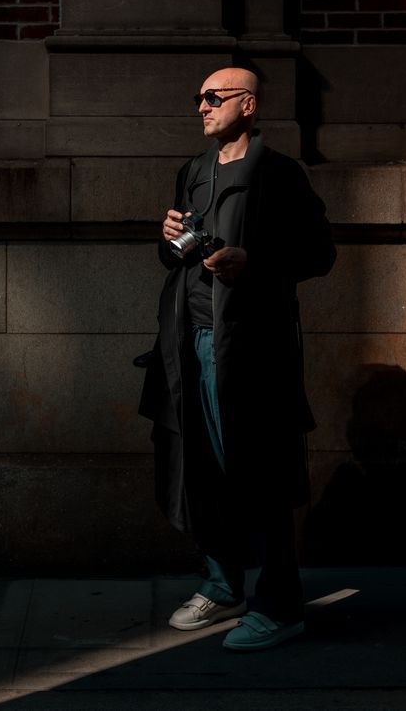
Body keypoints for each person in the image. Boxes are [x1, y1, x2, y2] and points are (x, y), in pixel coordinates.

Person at [139, 66, 335, 651]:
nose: (201, 106)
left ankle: (279, 607)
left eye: (212, 97)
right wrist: (168, 235)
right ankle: (223, 586)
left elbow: (319, 254)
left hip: (248, 351)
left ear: (247, 105)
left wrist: (254, 262)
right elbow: (174, 258)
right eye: (198, 97)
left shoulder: (279, 175)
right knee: (200, 468)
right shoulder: (194, 171)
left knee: (261, 472)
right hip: (189, 344)